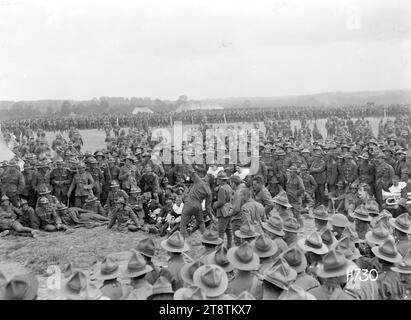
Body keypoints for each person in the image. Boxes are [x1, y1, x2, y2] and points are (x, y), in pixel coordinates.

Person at [180, 167, 212, 239]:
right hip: (198, 206)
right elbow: (207, 207)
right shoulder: (209, 192)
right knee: (201, 223)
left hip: (189, 204)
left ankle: (181, 243)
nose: (204, 177)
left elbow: (191, 171)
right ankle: (206, 240)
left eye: (206, 176)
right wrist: (211, 217)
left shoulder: (199, 181)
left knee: (183, 225)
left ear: (208, 179)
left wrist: (189, 163)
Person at [213, 171, 233, 248]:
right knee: (229, 229)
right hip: (229, 210)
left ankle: (219, 249)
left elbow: (221, 202)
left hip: (222, 211)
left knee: (220, 231)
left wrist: (215, 205)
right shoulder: (228, 187)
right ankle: (229, 246)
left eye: (218, 179)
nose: (217, 181)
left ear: (221, 180)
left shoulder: (222, 188)